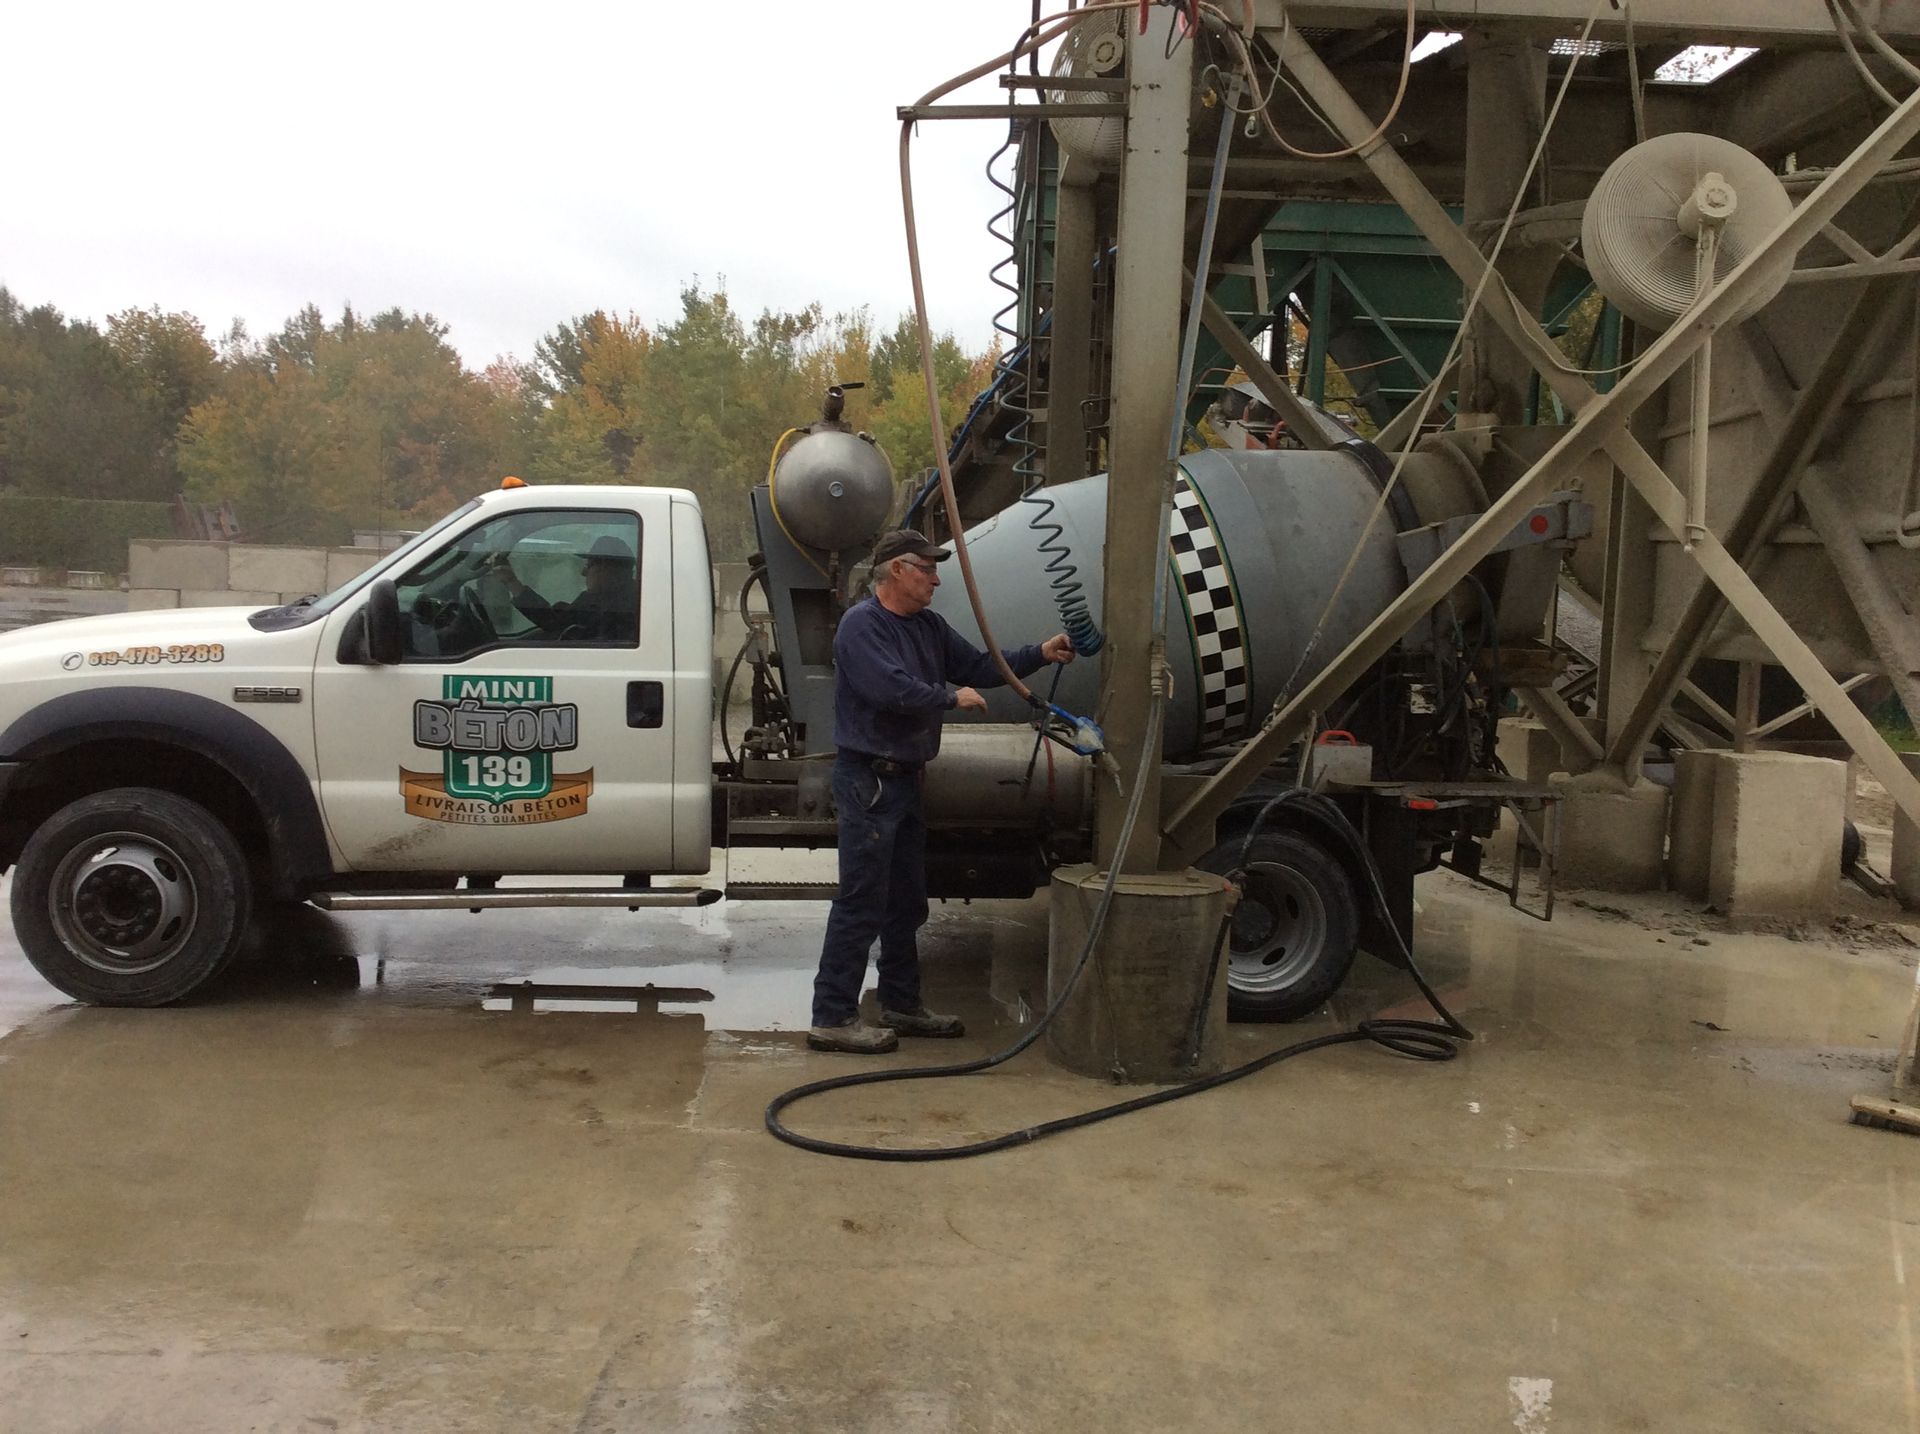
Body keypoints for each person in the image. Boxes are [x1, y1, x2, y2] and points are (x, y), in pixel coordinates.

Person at [809, 528, 1076, 1054]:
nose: (935, 576)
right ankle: (832, 1016)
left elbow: (979, 665)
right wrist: (949, 700)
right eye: (926, 567)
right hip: (870, 781)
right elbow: (888, 689)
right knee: (862, 900)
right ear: (895, 571)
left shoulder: (927, 626)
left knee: (906, 901)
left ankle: (901, 1004)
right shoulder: (862, 626)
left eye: (935, 568)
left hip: (903, 781)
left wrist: (1040, 654)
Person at [491, 534, 637, 642]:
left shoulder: (615, 605)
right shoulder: (622, 597)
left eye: (589, 565)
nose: (583, 572)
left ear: (607, 569)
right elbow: (561, 621)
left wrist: (511, 582)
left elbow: (555, 623)